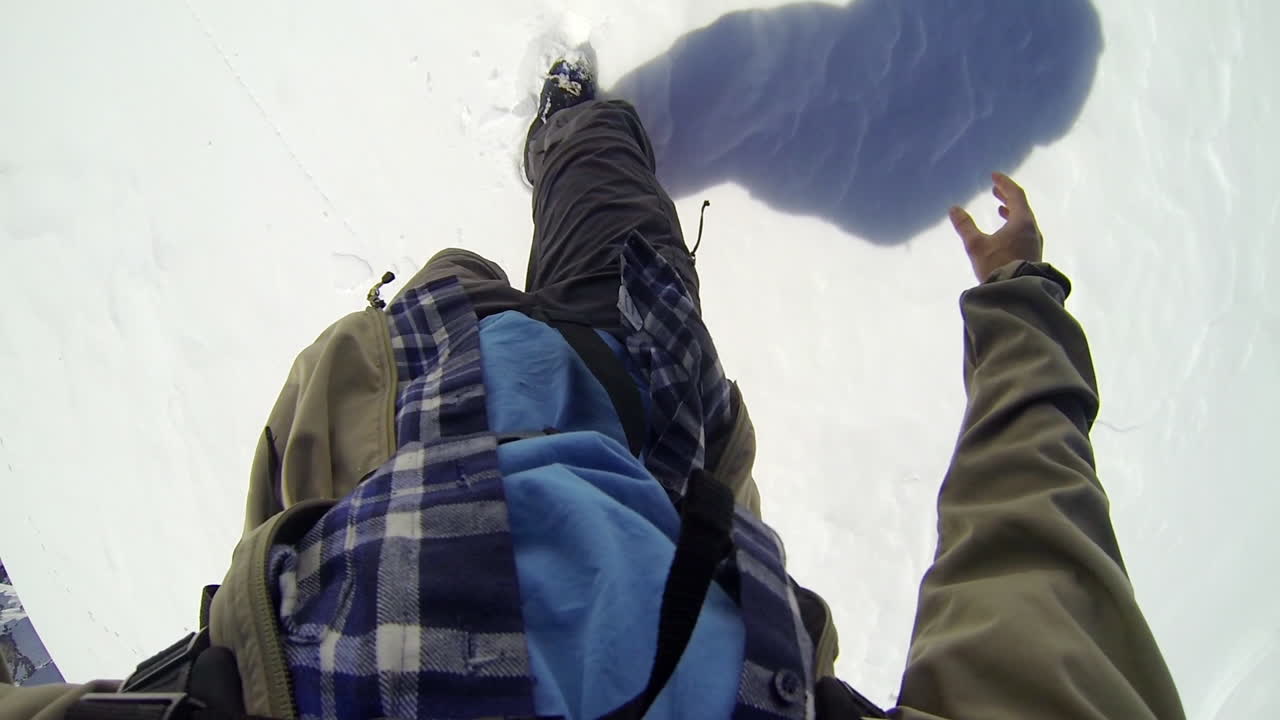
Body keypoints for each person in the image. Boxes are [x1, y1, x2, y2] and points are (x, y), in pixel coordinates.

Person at [0, 58, 1185, 720]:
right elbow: (1042, 605)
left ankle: (574, 136)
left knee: (475, 287)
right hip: (640, 446)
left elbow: (1040, 602)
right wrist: (1022, 306)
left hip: (412, 422)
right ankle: (577, 128)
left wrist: (1021, 307)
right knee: (599, 236)